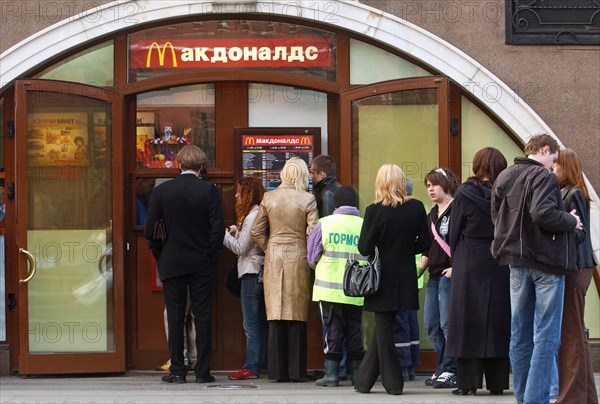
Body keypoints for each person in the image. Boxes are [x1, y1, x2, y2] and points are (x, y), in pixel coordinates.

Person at [491, 134, 582, 404]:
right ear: (545, 150)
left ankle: (524, 398)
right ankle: (534, 400)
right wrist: (570, 220)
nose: (553, 166)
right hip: (546, 263)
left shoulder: (505, 176)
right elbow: (543, 213)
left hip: (515, 263)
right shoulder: (544, 177)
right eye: (553, 160)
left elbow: (496, 220)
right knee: (546, 336)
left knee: (519, 335)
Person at [145, 145, 225, 384]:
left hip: (172, 261)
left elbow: (150, 229)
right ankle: (202, 371)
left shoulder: (163, 191)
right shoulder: (208, 190)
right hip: (202, 263)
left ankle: (178, 370)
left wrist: (160, 253)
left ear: (179, 164)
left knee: (176, 316)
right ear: (201, 166)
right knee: (202, 316)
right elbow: (217, 228)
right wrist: (211, 256)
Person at [353, 164, 431, 395]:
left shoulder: (374, 210)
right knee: (384, 327)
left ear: (380, 183)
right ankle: (364, 381)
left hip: (381, 276)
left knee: (384, 327)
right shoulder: (416, 208)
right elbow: (426, 243)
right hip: (405, 275)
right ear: (401, 182)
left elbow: (364, 247)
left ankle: (393, 383)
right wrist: (407, 248)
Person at [445, 147, 510, 396]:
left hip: (469, 259)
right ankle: (496, 382)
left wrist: (458, 254)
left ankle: (468, 384)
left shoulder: (465, 193)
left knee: (467, 319)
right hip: (498, 258)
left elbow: (454, 232)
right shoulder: (505, 194)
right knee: (496, 319)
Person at [251, 156, 319, 382]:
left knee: (275, 313)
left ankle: (277, 371)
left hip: (273, 255)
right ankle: (296, 371)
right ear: (302, 175)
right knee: (297, 313)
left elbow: (256, 231)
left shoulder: (268, 197)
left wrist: (269, 246)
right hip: (297, 255)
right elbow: (314, 232)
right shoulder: (308, 199)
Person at [307, 186, 365, 387]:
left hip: (329, 289)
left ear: (336, 204)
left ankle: (331, 375)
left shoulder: (325, 224)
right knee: (354, 330)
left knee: (332, 330)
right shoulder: (364, 225)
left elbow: (312, 256)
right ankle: (358, 376)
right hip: (356, 289)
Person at [553, 148, 598, 404]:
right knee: (575, 335)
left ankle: (571, 397)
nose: (551, 169)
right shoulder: (569, 192)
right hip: (577, 268)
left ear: (565, 167)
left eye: (556, 165)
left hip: (576, 268)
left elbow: (578, 234)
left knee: (570, 335)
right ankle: (586, 396)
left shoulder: (574, 193)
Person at [223, 177, 268, 380]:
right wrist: (236, 230)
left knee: (251, 324)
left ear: (248, 194)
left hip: (251, 273)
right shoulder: (257, 212)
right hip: (259, 272)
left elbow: (241, 248)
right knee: (260, 322)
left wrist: (222, 234)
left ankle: (252, 366)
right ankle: (262, 362)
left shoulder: (253, 216)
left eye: (239, 191)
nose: (236, 195)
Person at [419, 167, 460, 389]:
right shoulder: (431, 215)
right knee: (432, 325)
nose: (431, 189)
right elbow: (429, 245)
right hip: (434, 275)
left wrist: (457, 266)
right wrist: (422, 262)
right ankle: (445, 364)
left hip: (450, 274)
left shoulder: (458, 210)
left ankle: (451, 368)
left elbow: (464, 243)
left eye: (434, 184)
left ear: (446, 184)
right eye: (428, 185)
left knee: (447, 324)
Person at [309, 154, 346, 380]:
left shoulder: (325, 195)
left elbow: (323, 233)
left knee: (330, 321)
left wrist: (313, 258)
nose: (310, 177)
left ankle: (334, 369)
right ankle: (341, 367)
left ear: (321, 174)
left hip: (330, 269)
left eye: (312, 172)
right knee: (346, 322)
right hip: (346, 269)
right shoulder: (341, 191)